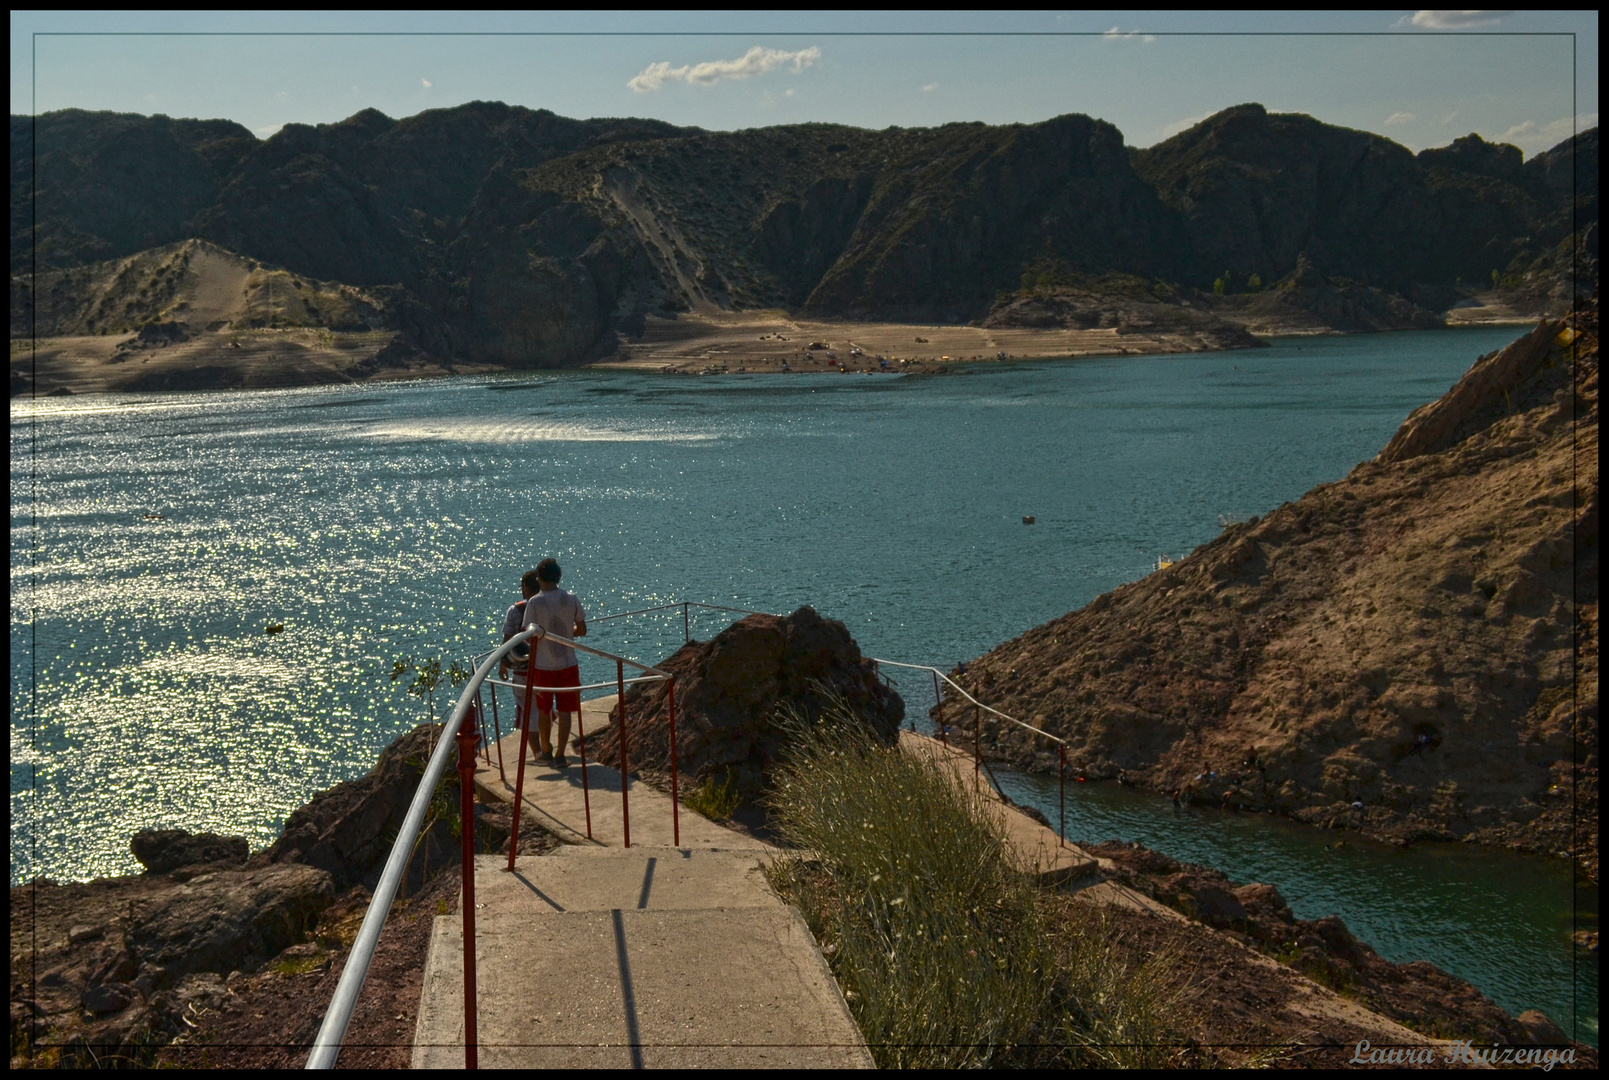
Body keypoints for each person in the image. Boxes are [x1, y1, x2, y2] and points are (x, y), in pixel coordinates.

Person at [522, 558, 587, 768]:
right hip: (568, 663)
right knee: (566, 710)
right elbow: (582, 629)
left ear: (539, 579)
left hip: (543, 665)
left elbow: (527, 635)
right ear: (558, 576)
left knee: (544, 710)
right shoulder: (571, 598)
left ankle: (546, 750)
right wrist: (567, 634)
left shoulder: (534, 603)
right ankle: (561, 754)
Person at [500, 569, 542, 760]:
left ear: (525, 587)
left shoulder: (515, 610)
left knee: (527, 712)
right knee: (542, 707)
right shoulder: (545, 605)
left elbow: (507, 641)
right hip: (545, 667)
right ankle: (546, 747)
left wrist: (503, 664)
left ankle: (539, 752)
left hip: (522, 671)